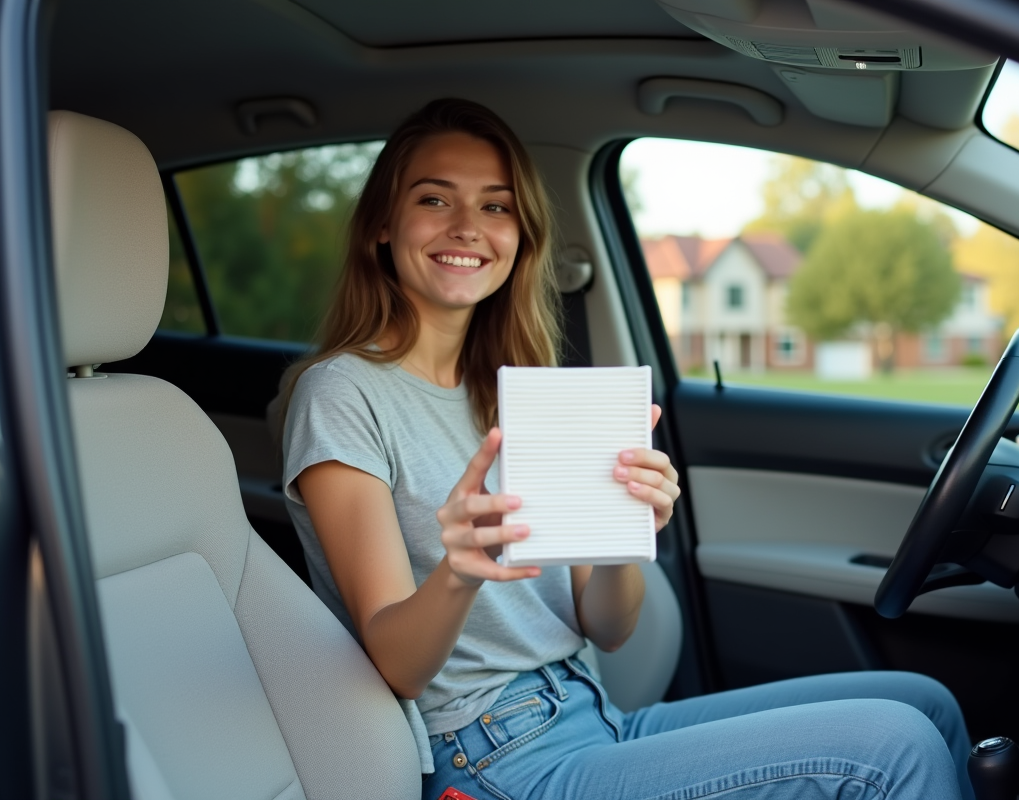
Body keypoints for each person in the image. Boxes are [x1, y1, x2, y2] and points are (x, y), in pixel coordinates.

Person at [280, 98, 974, 800]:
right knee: (896, 746)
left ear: (521, 236)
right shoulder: (341, 392)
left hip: (590, 711)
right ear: (382, 224)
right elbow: (396, 667)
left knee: (926, 705)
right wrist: (459, 572)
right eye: (434, 199)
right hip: (484, 756)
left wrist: (624, 532)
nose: (467, 226)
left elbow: (608, 629)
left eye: (496, 206)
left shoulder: (525, 390)